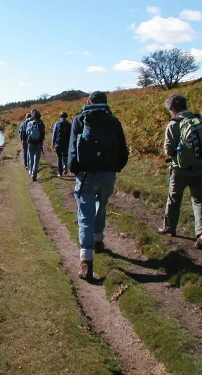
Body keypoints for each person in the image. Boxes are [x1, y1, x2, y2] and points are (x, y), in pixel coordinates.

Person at [68, 91, 128, 280]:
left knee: (85, 213)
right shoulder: (114, 121)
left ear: (88, 102)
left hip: (86, 174)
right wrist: (114, 168)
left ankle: (86, 260)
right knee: (101, 205)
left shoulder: (79, 119)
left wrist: (76, 170)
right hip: (107, 174)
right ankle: (99, 240)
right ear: (105, 103)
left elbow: (72, 150)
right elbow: (123, 152)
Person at [158, 92, 202, 249]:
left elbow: (168, 150)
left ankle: (169, 227)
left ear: (173, 108)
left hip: (180, 169)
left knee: (174, 198)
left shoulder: (174, 123)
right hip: (201, 168)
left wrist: (176, 155)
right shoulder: (199, 119)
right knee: (198, 200)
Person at [26, 110, 45, 181]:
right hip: (38, 144)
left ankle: (31, 172)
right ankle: (34, 174)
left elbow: (27, 133)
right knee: (36, 161)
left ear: (33, 116)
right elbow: (43, 135)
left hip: (30, 143)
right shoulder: (41, 124)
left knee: (31, 159)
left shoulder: (29, 123)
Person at [51, 112, 71, 177]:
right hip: (66, 144)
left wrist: (53, 143)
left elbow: (54, 134)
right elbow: (71, 135)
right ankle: (65, 166)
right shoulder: (69, 124)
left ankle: (60, 173)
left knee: (59, 158)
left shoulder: (57, 124)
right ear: (66, 116)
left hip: (58, 144)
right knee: (65, 156)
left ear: (60, 117)